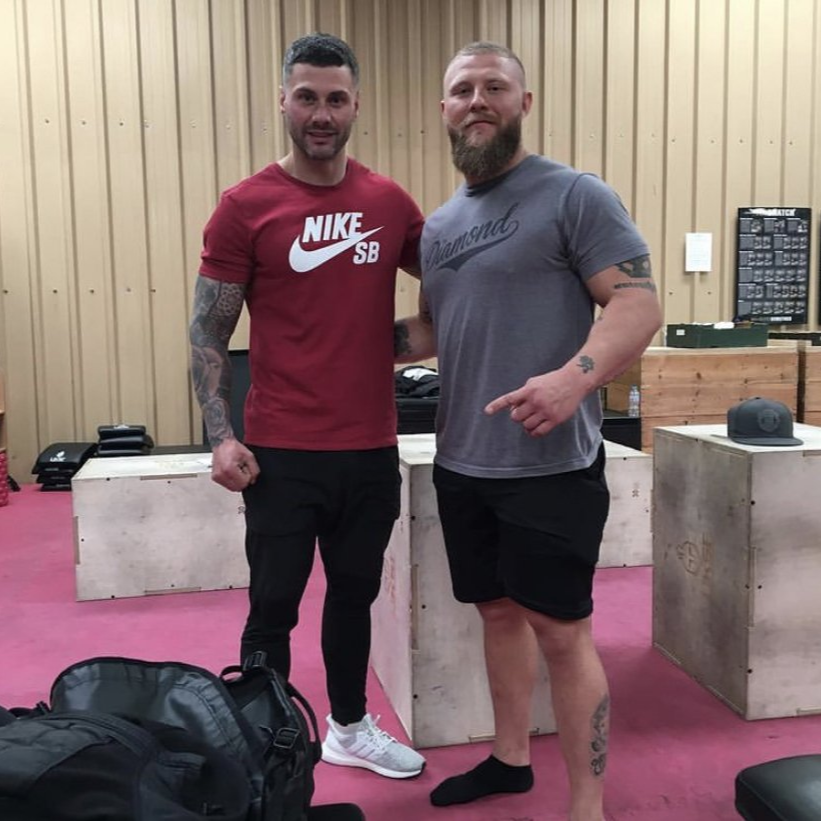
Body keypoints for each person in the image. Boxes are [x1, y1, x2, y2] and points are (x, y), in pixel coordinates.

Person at [394, 42, 662, 819]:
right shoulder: (440, 226)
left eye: (493, 87)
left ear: (523, 102)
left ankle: (586, 804)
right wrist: (327, 339)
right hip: (464, 460)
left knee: (560, 631)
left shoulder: (573, 195)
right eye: (460, 90)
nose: (476, 100)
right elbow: (435, 331)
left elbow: (637, 304)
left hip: (549, 466)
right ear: (442, 109)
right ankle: (509, 760)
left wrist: (573, 377)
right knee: (497, 611)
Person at [189, 32, 426, 780]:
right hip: (281, 452)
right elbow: (208, 328)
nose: (320, 113)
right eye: (306, 97)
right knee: (274, 605)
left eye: (334, 98)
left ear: (355, 105)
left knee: (353, 597)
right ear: (283, 102)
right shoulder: (245, 206)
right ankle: (262, 744)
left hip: (367, 448)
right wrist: (218, 436)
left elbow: (460, 290)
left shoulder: (389, 203)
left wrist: (383, 343)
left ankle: (349, 726)